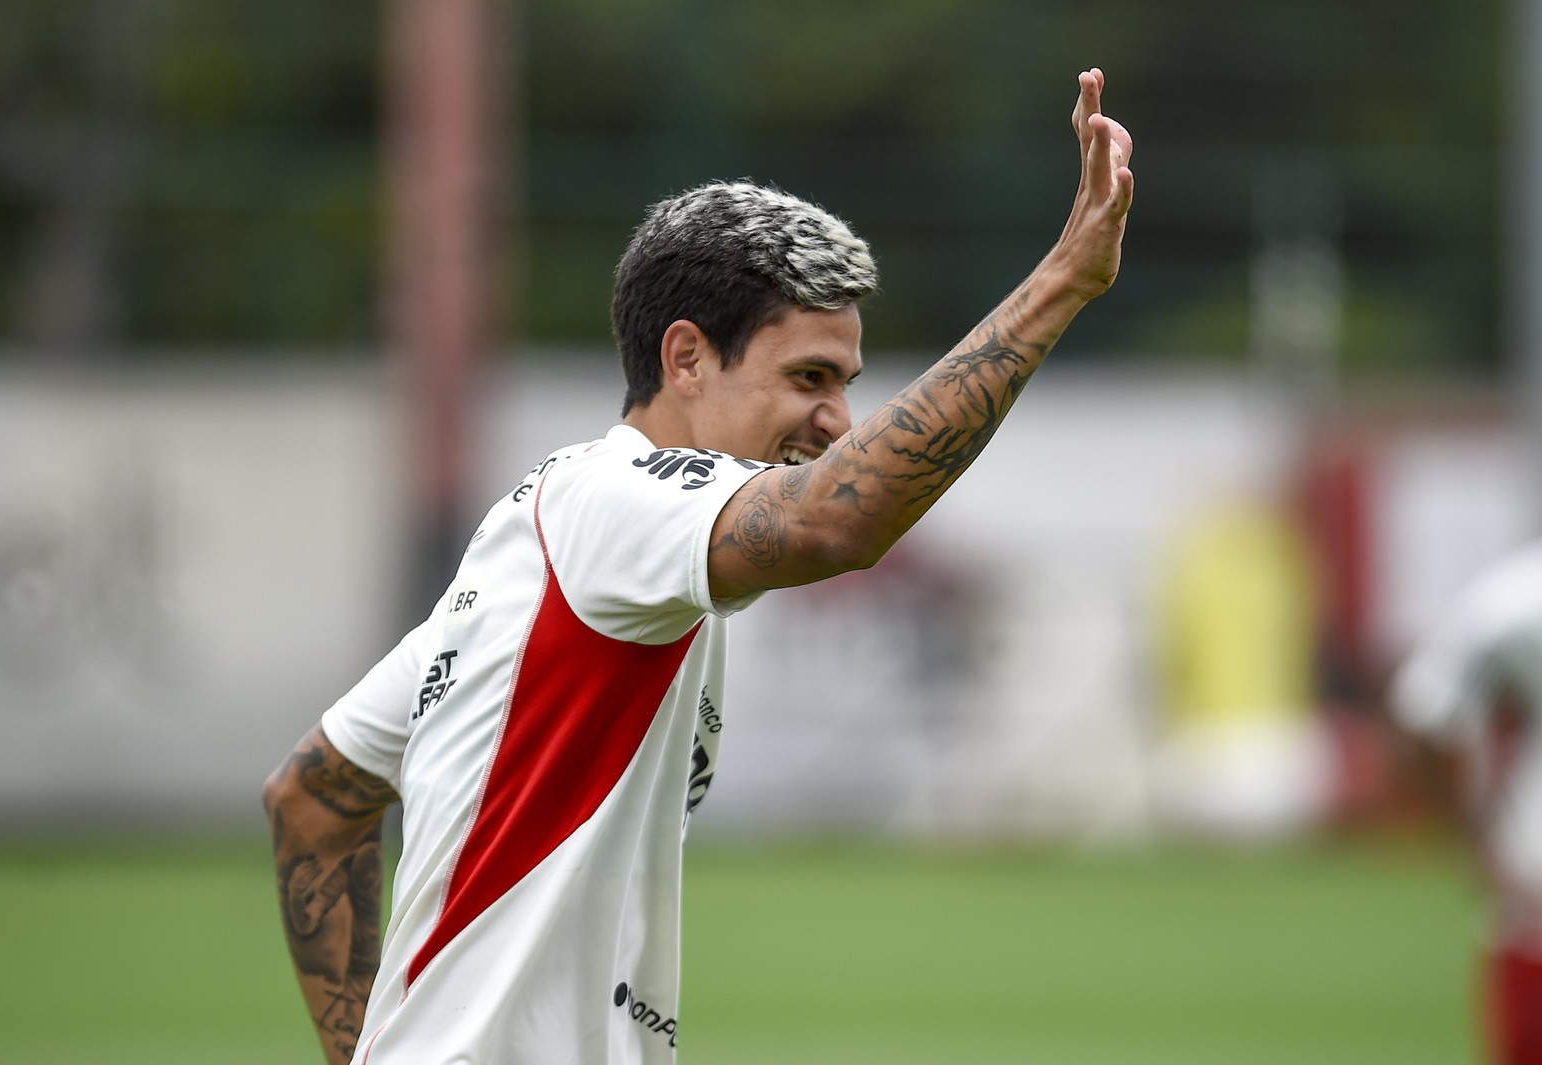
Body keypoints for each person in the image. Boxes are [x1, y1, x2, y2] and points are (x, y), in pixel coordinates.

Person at [263, 68, 1134, 1065]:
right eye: (807, 378)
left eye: (844, 383)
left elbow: (314, 797)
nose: (836, 420)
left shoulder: (550, 543)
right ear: (685, 360)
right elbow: (834, 524)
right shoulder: (614, 504)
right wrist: (1062, 281)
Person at [1390, 541, 1542, 1065]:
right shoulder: (1512, 602)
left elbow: (1424, 710)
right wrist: (1472, 835)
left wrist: (1471, 838)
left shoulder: (1511, 598)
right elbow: (1426, 714)